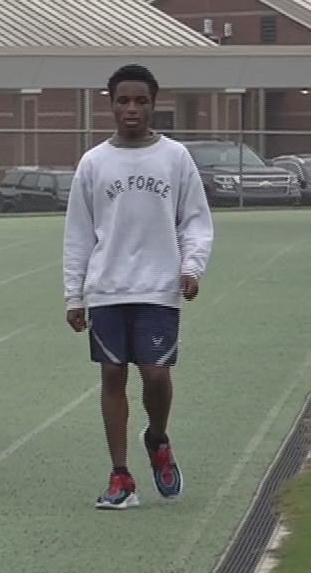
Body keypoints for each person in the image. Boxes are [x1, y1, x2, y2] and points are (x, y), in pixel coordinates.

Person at [64, 65, 213, 510]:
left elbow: (196, 220)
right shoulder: (94, 162)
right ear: (110, 103)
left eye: (141, 101)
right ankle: (120, 475)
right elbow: (78, 232)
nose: (132, 109)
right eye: (123, 100)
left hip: (158, 287)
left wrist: (192, 267)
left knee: (156, 374)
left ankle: (158, 438)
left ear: (154, 104)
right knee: (112, 374)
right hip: (109, 287)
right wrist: (75, 294)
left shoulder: (175, 158)